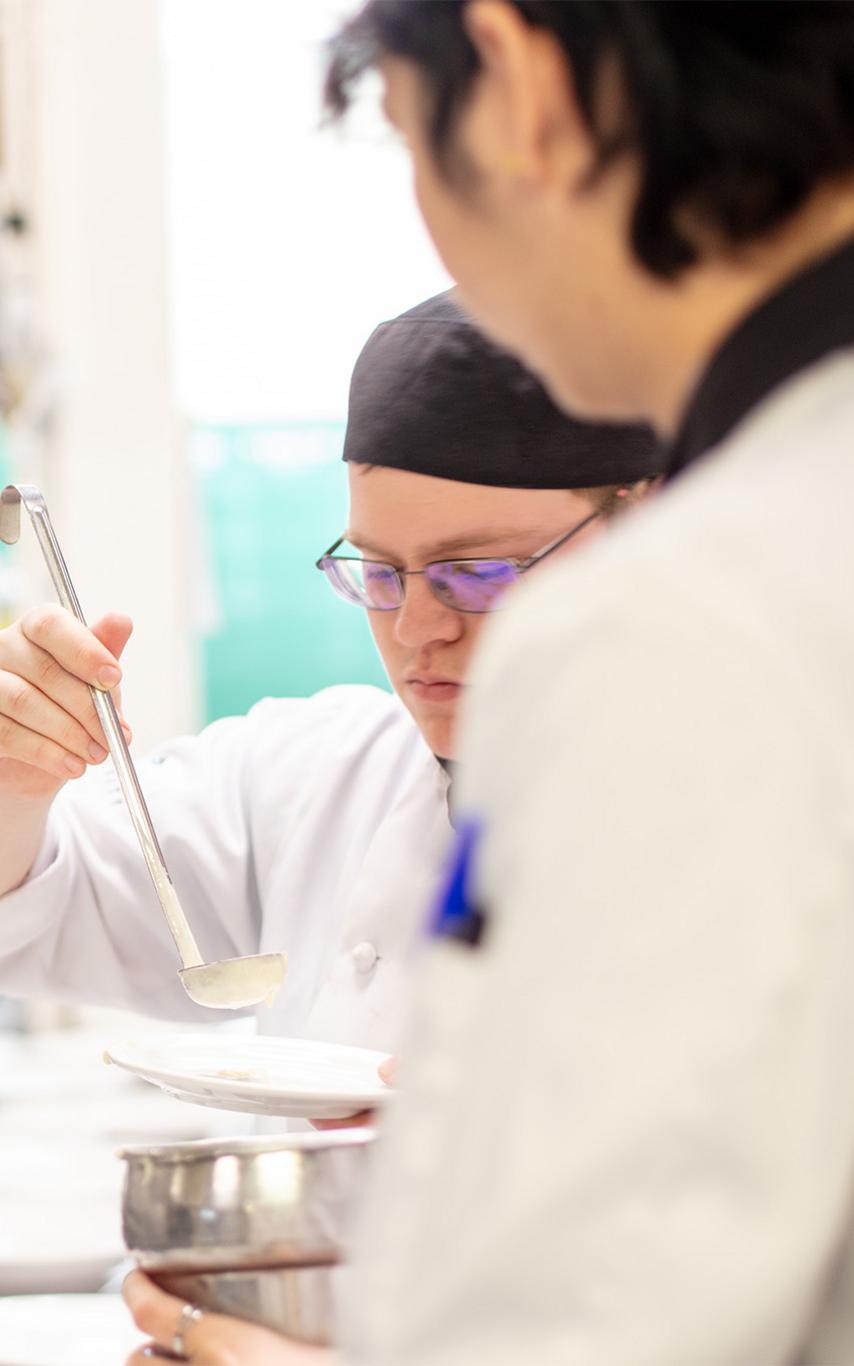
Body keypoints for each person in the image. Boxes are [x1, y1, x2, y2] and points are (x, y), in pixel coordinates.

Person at [300, 2, 854, 1364]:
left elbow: (561, 1318)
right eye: (380, 573)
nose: (420, 626)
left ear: (521, 87)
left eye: (408, 146)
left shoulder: (682, 619)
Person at [0, 291, 659, 1071]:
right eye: (378, 573)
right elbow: (46, 908)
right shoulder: (315, 775)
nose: (415, 629)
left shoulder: (759, 818)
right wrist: (16, 783)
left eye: (476, 573)